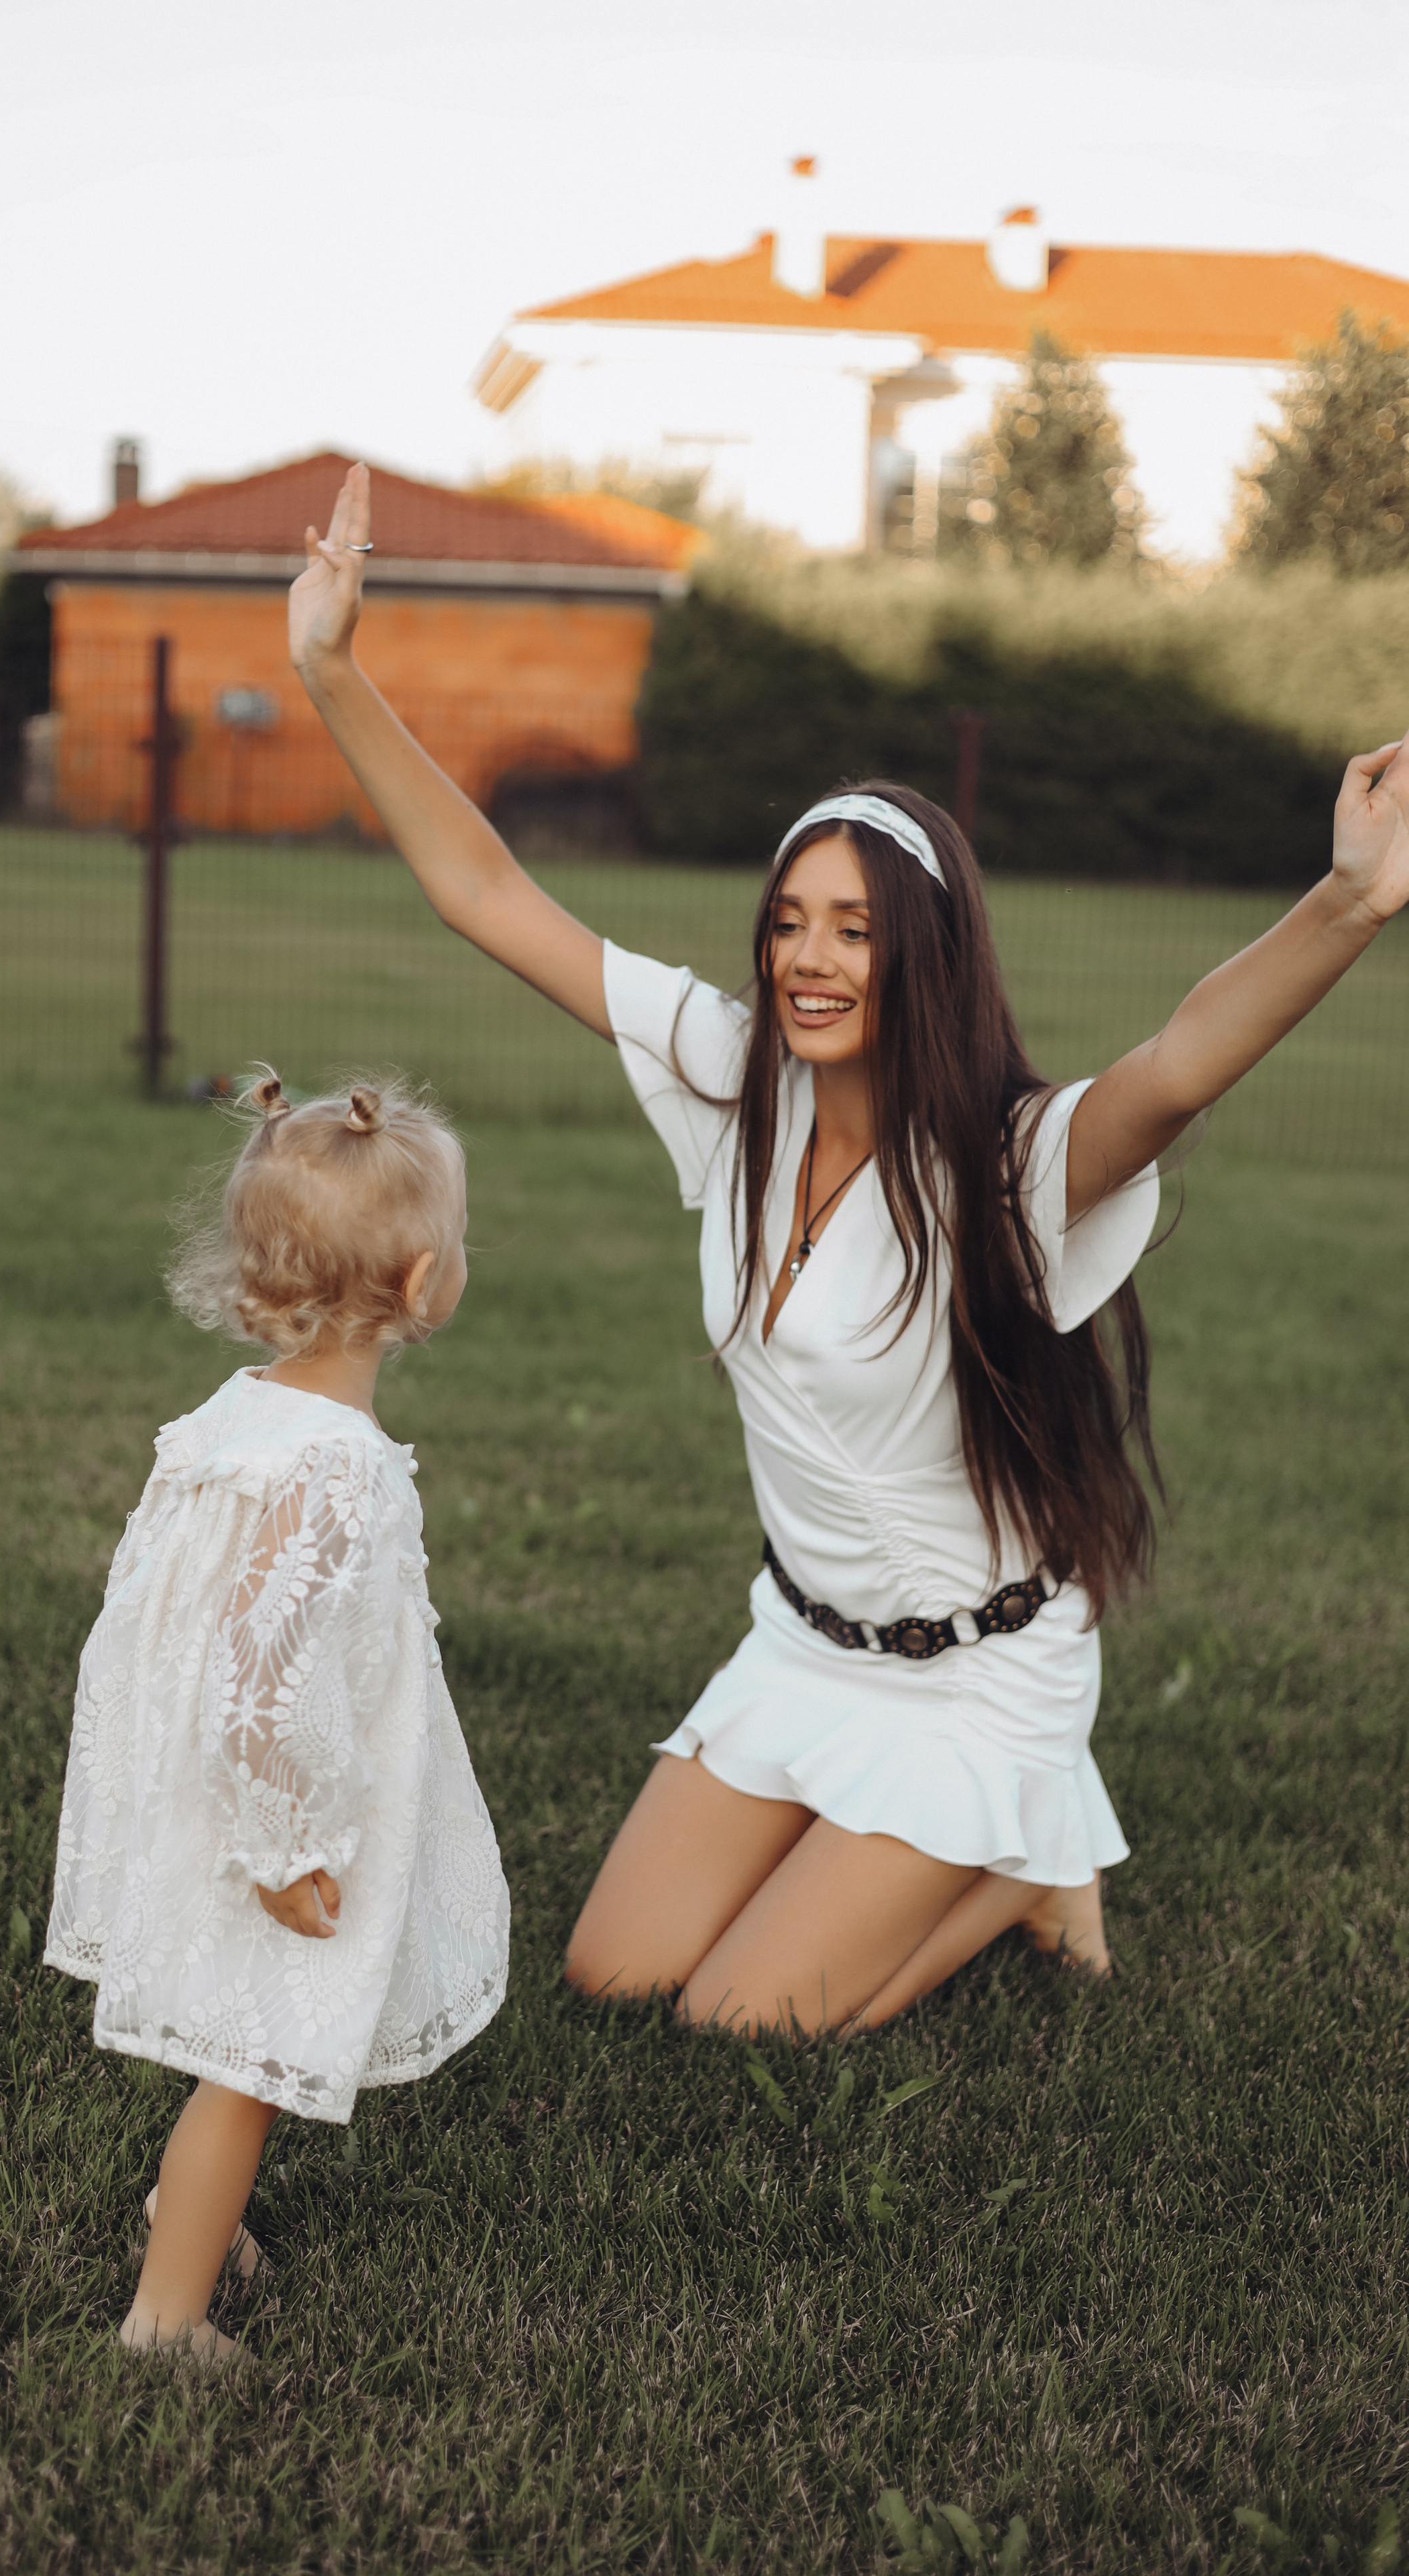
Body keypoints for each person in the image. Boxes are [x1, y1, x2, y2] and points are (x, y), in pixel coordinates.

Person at [288, 460, 1409, 2045]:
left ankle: (1026, 1848)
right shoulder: (724, 1072)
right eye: (790, 918)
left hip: (975, 1679)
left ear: (919, 955)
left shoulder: (1009, 1163)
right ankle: (961, 1858)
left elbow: (1175, 1061)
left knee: (739, 2018)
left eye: (853, 928)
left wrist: (1347, 903)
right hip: (798, 1650)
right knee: (615, 1976)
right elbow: (486, 890)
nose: (808, 957)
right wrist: (331, 671)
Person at [44, 1073, 510, 2359]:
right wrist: (283, 1843)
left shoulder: (240, 1414)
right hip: (268, 1811)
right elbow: (263, 1669)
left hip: (198, 1777)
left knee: (239, 2052)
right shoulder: (338, 1469)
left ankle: (188, 2216)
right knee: (250, 2066)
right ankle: (164, 2318)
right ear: (421, 1284)